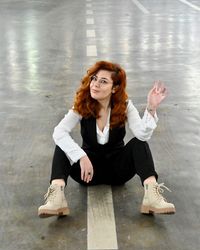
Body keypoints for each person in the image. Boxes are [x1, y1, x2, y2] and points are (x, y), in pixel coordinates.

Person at [38, 60, 175, 218]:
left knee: (139, 143)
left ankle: (151, 197)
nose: (95, 84)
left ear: (115, 88)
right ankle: (57, 199)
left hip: (118, 172)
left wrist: (151, 107)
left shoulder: (125, 106)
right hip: (87, 173)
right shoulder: (82, 106)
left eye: (103, 81)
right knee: (61, 144)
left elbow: (142, 134)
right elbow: (59, 132)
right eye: (94, 79)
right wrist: (81, 156)